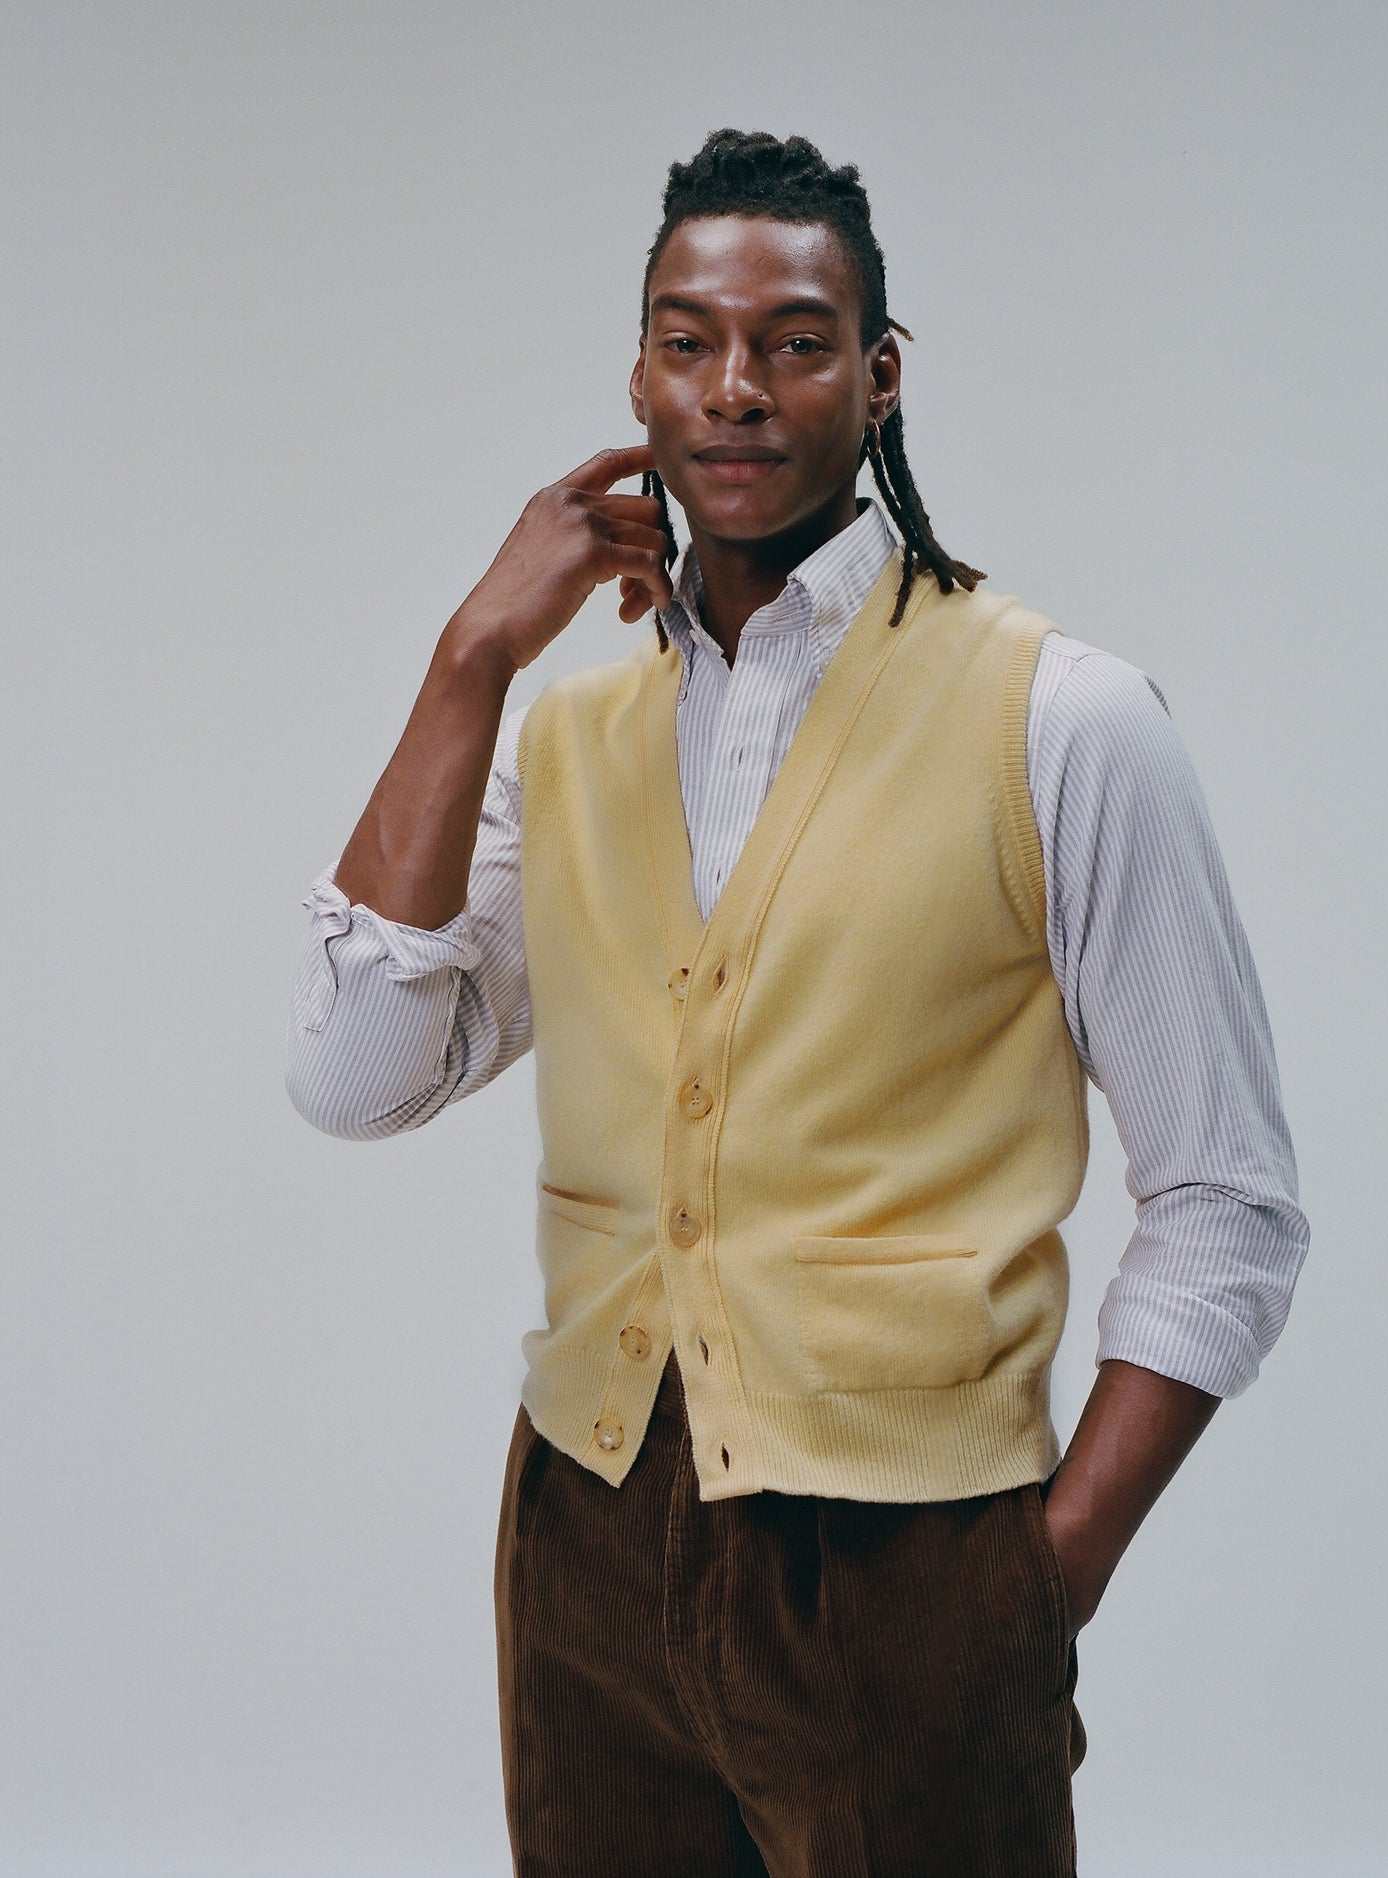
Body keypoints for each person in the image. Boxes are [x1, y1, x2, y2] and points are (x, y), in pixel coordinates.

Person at [285, 129, 1308, 1877]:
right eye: (688, 342)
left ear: (881, 375)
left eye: (796, 342)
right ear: (639, 380)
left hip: (912, 1558)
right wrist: (470, 660)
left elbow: (1230, 1201)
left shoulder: (1061, 718)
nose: (736, 388)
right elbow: (355, 1075)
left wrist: (1036, 1584)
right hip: (588, 1545)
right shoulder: (569, 736)